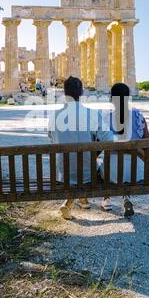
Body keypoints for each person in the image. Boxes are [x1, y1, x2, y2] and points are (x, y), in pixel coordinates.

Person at [48, 76, 113, 220]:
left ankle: (79, 200)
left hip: (62, 173)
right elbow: (109, 139)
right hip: (87, 173)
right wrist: (95, 149)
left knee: (77, 162)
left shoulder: (54, 116)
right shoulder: (92, 114)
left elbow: (52, 139)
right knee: (97, 165)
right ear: (82, 92)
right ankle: (81, 199)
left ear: (64, 94)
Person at [99, 82, 149, 217]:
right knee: (127, 165)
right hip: (137, 172)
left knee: (105, 166)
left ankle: (106, 199)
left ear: (111, 98)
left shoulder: (105, 117)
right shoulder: (138, 116)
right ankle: (126, 198)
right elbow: (147, 143)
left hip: (112, 174)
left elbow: (99, 146)